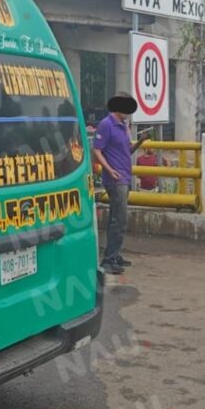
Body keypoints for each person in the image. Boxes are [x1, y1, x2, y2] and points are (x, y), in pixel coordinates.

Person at [93, 93, 137, 275]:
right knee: (119, 219)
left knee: (118, 218)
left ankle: (114, 254)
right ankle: (109, 258)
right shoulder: (106, 124)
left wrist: (140, 142)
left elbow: (127, 150)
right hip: (115, 179)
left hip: (125, 176)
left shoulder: (124, 126)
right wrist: (109, 170)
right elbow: (97, 150)